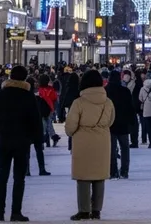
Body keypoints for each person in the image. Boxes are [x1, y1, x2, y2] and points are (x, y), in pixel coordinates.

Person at [0, 64, 44, 222]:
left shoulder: (0, 95)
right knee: (19, 178)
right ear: (25, 78)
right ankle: (16, 212)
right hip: (22, 141)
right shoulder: (28, 96)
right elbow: (35, 120)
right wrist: (37, 139)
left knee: (2, 177)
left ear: (10, 76)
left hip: (3, 140)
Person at [66, 69, 115, 221]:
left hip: (83, 141)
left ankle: (84, 210)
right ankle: (96, 210)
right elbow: (111, 121)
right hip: (102, 141)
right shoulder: (108, 102)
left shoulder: (79, 102)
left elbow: (70, 126)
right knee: (99, 177)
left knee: (83, 176)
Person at [105, 70, 133, 179]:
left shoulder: (105, 91)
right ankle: (124, 170)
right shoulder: (125, 91)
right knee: (125, 148)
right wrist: (131, 122)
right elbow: (130, 108)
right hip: (123, 123)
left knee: (111, 149)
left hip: (110, 123)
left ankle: (113, 171)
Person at [37, 74, 59, 147]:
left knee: (43, 126)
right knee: (49, 125)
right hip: (50, 109)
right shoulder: (51, 89)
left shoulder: (39, 89)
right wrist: (54, 109)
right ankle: (54, 137)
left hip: (41, 110)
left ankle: (42, 141)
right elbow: (55, 99)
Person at [138, 71, 151, 148]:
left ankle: (150, 142)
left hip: (146, 110)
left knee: (149, 127)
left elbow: (140, 99)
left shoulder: (143, 88)